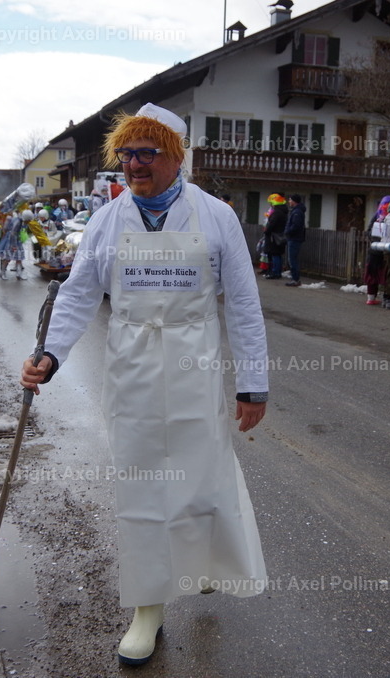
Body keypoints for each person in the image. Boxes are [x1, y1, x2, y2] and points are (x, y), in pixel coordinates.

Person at [20, 103, 269, 667]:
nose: (134, 164)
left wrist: (252, 384)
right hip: (132, 366)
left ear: (176, 156)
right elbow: (78, 293)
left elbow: (244, 305)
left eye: (147, 153)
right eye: (127, 154)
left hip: (194, 363)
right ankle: (148, 607)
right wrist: (49, 355)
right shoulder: (109, 220)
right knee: (142, 485)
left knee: (201, 476)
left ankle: (203, 562)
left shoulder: (216, 217)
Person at [363, 196, 390, 305]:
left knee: (373, 273)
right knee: (386, 275)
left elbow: (368, 231)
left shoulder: (376, 216)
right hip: (384, 250)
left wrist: (374, 240)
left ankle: (371, 298)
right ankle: (387, 297)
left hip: (375, 249)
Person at [0, 209, 28, 280]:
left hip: (17, 240)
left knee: (19, 257)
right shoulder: (18, 222)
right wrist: (14, 246)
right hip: (11, 241)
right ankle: (2, 273)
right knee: (8, 258)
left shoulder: (21, 221)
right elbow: (13, 234)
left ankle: (18, 274)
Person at [262, 193, 287, 279]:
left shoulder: (276, 213)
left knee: (275, 254)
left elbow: (272, 224)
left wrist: (266, 230)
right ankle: (278, 271)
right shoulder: (283, 212)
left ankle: (275, 272)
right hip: (280, 235)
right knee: (278, 255)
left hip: (274, 236)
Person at [284, 193, 306, 286]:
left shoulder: (297, 212)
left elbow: (296, 226)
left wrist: (287, 231)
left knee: (292, 260)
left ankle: (295, 279)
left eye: (290, 200)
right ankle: (295, 278)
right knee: (292, 259)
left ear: (294, 201)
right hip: (295, 238)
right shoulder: (297, 211)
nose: (289, 201)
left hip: (294, 238)